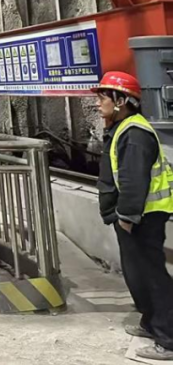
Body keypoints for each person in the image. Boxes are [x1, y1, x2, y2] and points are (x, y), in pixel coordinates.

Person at [95, 70, 173, 361]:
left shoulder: (135, 133)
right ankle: (151, 323)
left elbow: (133, 180)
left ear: (121, 101)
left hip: (143, 218)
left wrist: (127, 216)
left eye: (103, 97)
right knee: (139, 275)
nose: (98, 103)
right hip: (137, 217)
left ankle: (168, 339)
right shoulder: (124, 128)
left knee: (152, 277)